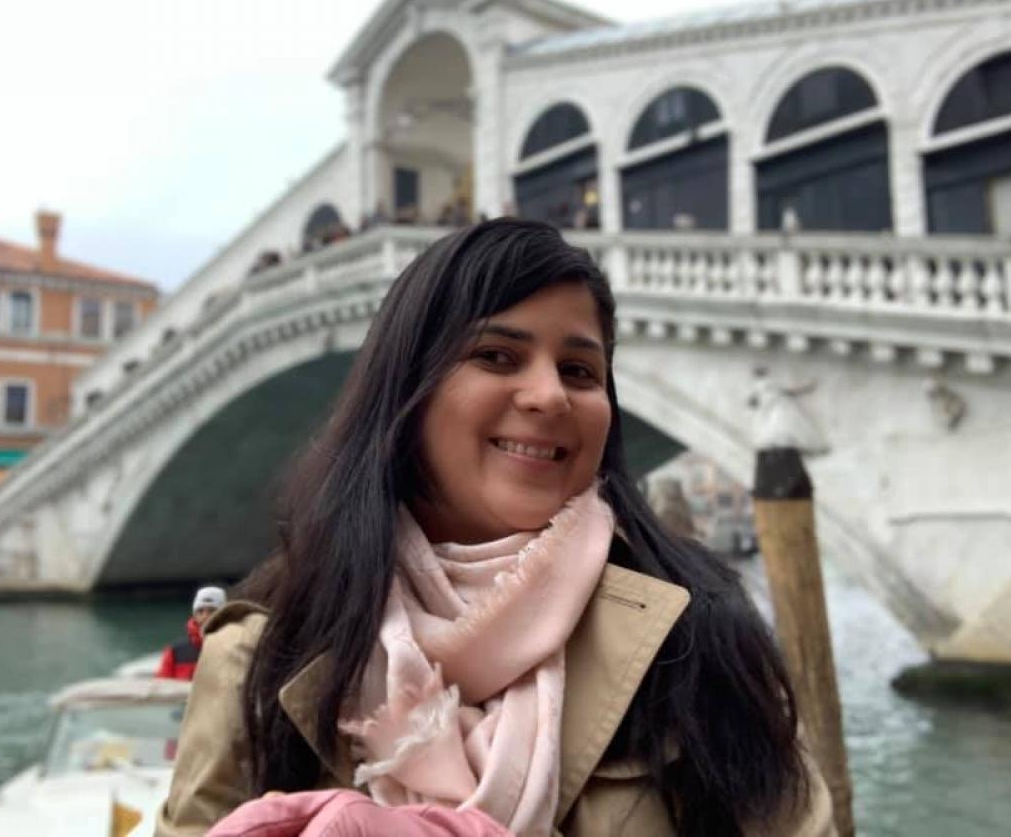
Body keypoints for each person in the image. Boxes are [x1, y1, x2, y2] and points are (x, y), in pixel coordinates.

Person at [157, 220, 835, 836]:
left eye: (579, 371)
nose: (550, 395)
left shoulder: (699, 638)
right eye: (497, 356)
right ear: (407, 389)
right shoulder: (262, 658)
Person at [155, 585, 226, 681]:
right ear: (194, 614)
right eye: (200, 611)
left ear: (223, 614)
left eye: (212, 611)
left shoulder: (235, 647)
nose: (205, 616)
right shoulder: (175, 652)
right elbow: (161, 685)